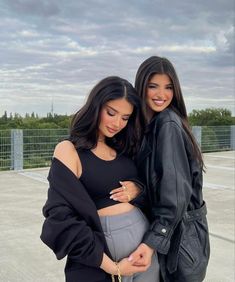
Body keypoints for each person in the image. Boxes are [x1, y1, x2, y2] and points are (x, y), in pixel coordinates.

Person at [40, 76, 160, 282]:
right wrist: (113, 267)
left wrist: (137, 189)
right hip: (104, 259)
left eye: (125, 118)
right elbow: (59, 217)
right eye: (111, 113)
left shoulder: (124, 147)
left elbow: (153, 190)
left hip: (144, 251)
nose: (117, 123)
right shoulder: (69, 150)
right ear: (96, 106)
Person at [112, 56, 210, 281]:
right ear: (142, 87)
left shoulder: (167, 123)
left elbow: (175, 196)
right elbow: (159, 183)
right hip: (176, 237)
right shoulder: (149, 126)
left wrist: (151, 243)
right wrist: (140, 189)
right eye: (153, 86)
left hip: (181, 242)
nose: (161, 95)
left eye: (168, 87)